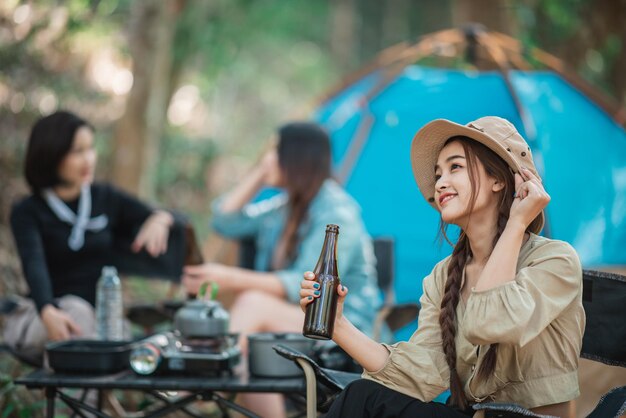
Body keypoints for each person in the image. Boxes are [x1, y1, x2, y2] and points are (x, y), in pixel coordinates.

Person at [300, 116, 585, 418]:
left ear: (499, 180)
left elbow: (489, 322)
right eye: (438, 174)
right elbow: (420, 375)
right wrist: (337, 325)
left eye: (455, 167)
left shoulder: (554, 261)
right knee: (363, 395)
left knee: (363, 400)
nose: (441, 183)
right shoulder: (444, 275)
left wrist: (517, 222)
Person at [182, 121, 382, 417]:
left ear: (296, 157)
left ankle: (197, 375)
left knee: (252, 303)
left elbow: (305, 281)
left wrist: (229, 278)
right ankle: (203, 372)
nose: (267, 157)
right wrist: (259, 177)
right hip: (291, 322)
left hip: (342, 328)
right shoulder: (282, 209)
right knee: (252, 351)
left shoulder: (337, 212)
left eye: (275, 150)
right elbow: (224, 221)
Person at [5, 110, 175, 364]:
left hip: (101, 319)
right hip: (46, 316)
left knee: (120, 335)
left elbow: (160, 213)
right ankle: (89, 402)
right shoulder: (28, 211)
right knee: (80, 315)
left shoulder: (104, 197)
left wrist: (160, 219)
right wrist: (47, 309)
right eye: (77, 151)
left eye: (91, 149)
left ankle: (93, 402)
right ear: (51, 154)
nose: (89, 160)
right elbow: (33, 263)